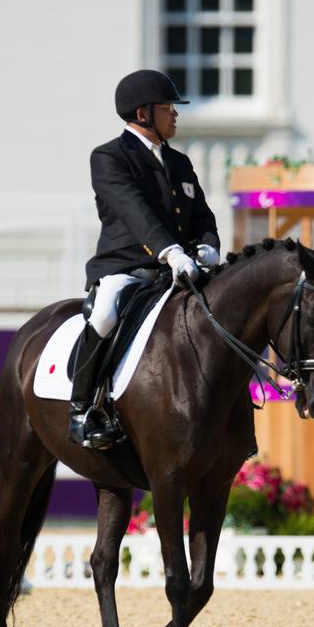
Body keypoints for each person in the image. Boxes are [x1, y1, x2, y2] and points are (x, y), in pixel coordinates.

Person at [69, 69, 221, 450]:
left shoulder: (181, 163)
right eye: (168, 108)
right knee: (104, 313)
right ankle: (83, 409)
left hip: (180, 268)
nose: (175, 114)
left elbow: (201, 213)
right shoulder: (109, 157)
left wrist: (208, 245)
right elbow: (136, 212)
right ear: (142, 114)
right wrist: (170, 251)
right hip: (125, 267)